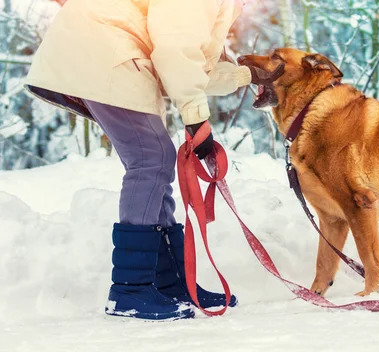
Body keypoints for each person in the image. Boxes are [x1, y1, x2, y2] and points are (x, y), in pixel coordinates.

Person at [24, 0, 283, 320]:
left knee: (154, 159)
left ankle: (170, 283)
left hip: (107, 50)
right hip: (106, 48)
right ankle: (130, 290)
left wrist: (247, 75)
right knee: (150, 160)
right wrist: (196, 120)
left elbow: (191, 65)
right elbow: (175, 51)